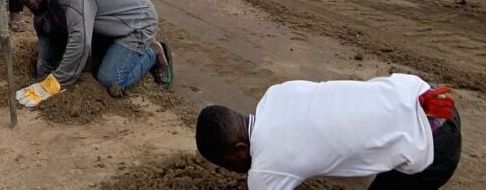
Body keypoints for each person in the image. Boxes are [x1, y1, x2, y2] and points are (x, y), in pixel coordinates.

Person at [195, 75, 461, 189]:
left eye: (228, 164)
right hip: (427, 98)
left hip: (435, 147)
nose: (233, 172)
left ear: (240, 149)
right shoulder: (275, 94)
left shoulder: (265, 170)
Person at [8, 0, 172, 107]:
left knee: (109, 80)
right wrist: (41, 80)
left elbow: (80, 42)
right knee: (85, 64)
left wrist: (54, 84)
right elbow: (47, 51)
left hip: (138, 21)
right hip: (107, 28)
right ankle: (113, 47)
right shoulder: (41, 16)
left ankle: (153, 52)